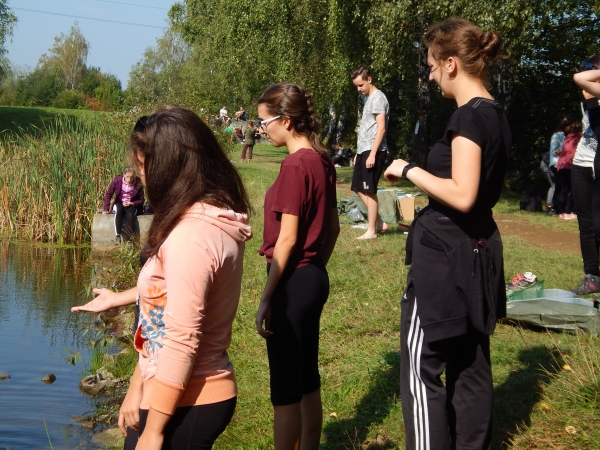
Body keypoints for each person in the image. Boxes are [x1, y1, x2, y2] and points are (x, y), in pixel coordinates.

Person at [383, 18, 510, 449]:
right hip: (477, 252)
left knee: (421, 369)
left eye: (433, 66)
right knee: (471, 366)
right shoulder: (493, 114)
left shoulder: (469, 118)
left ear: (452, 64)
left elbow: (463, 194)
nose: (431, 74)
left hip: (445, 261)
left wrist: (408, 169)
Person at [110, 108, 251, 450]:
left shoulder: (193, 236)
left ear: (167, 168)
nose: (140, 175)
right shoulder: (201, 216)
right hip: (173, 389)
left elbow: (182, 338)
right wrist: (137, 384)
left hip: (188, 396)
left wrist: (154, 430)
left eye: (143, 166)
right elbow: (160, 314)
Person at [255, 83, 340, 450]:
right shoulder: (323, 160)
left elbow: (286, 240)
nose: (262, 129)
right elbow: (333, 228)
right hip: (314, 278)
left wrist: (267, 297)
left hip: (291, 282)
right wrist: (315, 267)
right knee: (307, 378)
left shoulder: (294, 165)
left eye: (265, 121)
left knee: (285, 390)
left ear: (286, 121)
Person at [570, 55, 600, 294]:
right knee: (586, 225)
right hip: (581, 163)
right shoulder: (588, 94)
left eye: (593, 68)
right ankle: (592, 276)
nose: (586, 72)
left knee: (599, 225)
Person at [350, 67, 389, 240]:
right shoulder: (369, 99)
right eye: (357, 86)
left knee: (369, 190)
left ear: (369, 79)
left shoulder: (378, 98)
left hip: (375, 150)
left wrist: (373, 154)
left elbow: (381, 128)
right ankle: (379, 222)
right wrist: (360, 152)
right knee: (358, 187)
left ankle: (372, 230)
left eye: (360, 85)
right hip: (364, 150)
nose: (359, 89)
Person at [103, 167, 145, 245]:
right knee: (119, 209)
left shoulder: (138, 183)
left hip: (131, 204)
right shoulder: (117, 180)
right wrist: (105, 209)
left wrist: (132, 203)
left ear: (135, 176)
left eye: (132, 177)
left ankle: (129, 240)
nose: (129, 179)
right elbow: (108, 194)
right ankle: (118, 236)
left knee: (130, 214)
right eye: (127, 177)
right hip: (119, 203)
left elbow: (142, 200)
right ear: (124, 175)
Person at [543, 118, 571, 213]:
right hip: (556, 164)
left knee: (562, 187)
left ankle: (560, 207)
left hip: (566, 165)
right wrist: (567, 151)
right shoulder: (557, 135)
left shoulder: (571, 136)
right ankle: (553, 206)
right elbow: (554, 151)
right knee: (558, 186)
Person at [554, 121, 581, 219]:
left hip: (561, 165)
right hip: (570, 166)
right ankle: (570, 211)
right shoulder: (579, 137)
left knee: (563, 189)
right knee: (574, 189)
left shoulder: (568, 138)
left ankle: (560, 210)